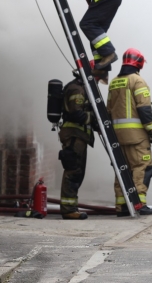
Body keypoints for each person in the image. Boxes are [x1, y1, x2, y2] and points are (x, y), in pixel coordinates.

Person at [107, 48, 152, 216]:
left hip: (117, 136)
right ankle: (138, 204)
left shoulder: (114, 82)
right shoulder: (138, 81)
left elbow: (108, 109)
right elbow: (144, 109)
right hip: (137, 137)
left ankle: (122, 206)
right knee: (142, 167)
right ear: (140, 63)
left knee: (123, 169)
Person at [58, 66, 98, 220]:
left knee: (78, 172)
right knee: (73, 171)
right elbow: (77, 114)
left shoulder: (82, 88)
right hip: (74, 135)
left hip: (79, 135)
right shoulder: (77, 89)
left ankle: (71, 207)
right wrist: (96, 119)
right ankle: (68, 210)